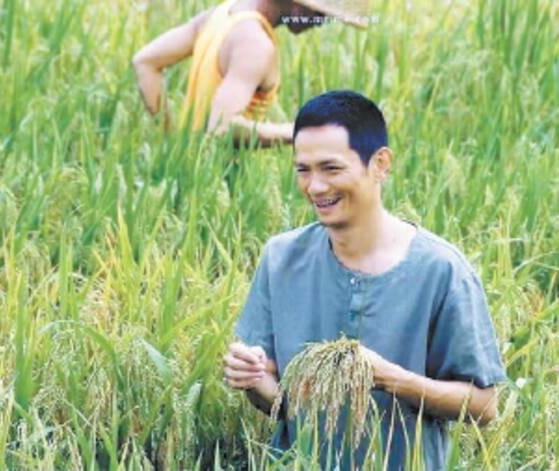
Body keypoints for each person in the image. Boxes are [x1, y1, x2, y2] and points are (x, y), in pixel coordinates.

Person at [224, 90, 507, 469]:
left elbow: (484, 406)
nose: (315, 186)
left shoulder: (442, 271)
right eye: (302, 170)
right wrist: (254, 378)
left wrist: (392, 378)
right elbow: (278, 405)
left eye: (331, 168)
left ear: (380, 164)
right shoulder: (281, 258)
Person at [132, 0, 368, 145]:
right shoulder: (255, 43)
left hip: (190, 171)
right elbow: (221, 129)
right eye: (320, 12)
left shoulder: (223, 13)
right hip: (219, 182)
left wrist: (173, 139)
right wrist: (299, 131)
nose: (323, 21)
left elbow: (146, 62)